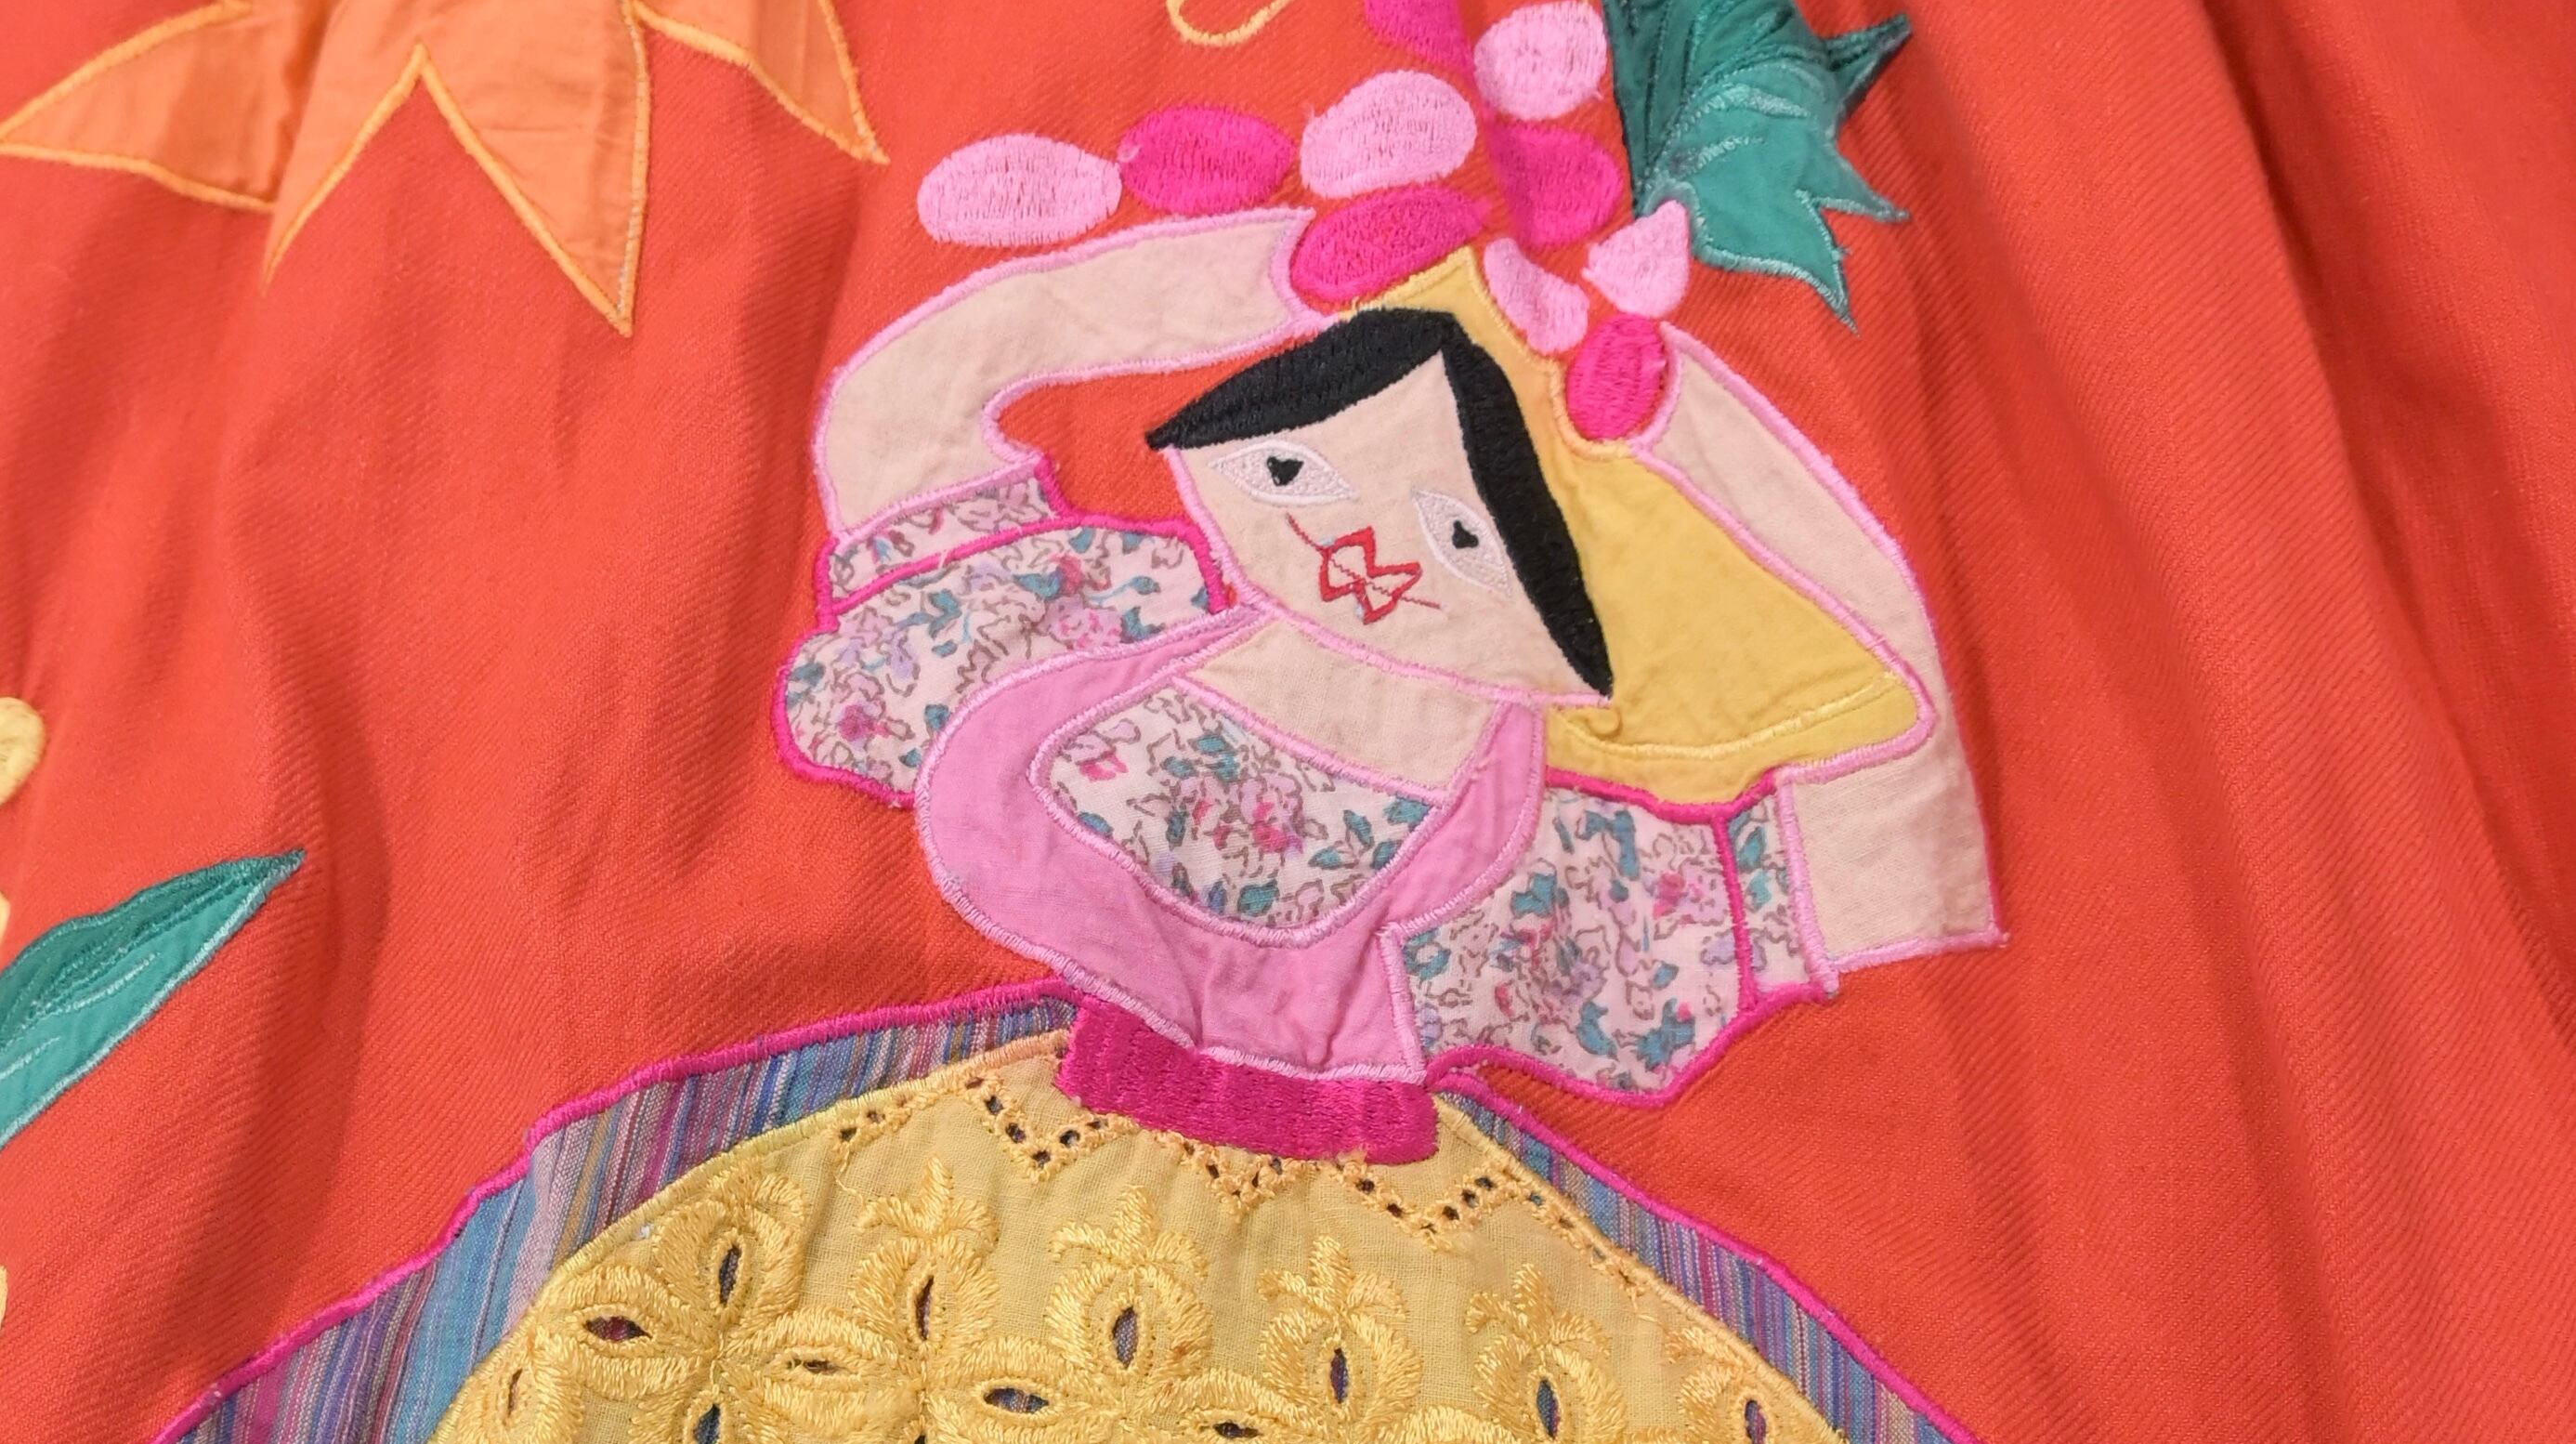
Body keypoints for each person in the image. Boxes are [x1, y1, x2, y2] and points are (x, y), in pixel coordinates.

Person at [783, 207, 1994, 1161]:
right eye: (1293, 470)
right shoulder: (1123, 604)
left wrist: (1696, 429)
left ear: (1559, 642)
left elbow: (1911, 825)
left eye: (1463, 540)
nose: (1364, 552)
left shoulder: (1549, 852)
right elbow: (902, 409)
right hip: (930, 1138)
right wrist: (1286, 269)